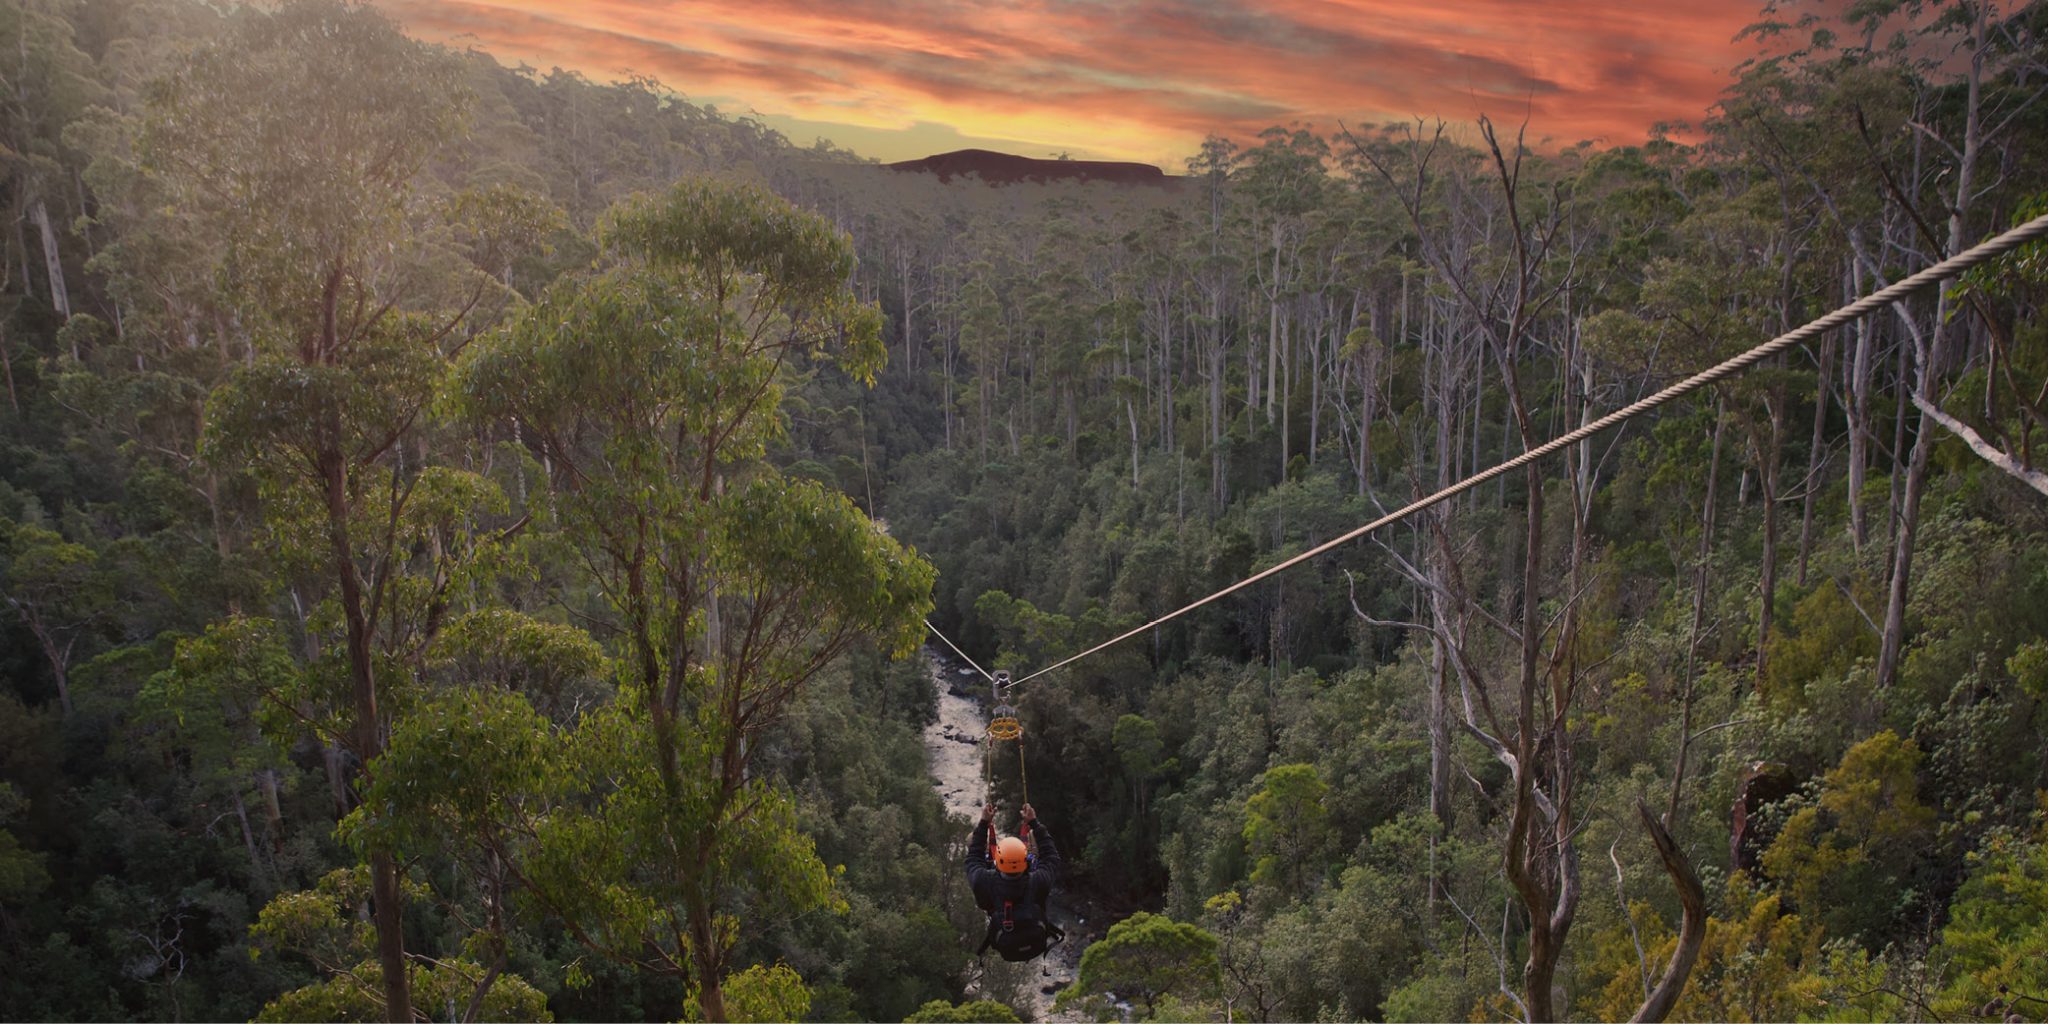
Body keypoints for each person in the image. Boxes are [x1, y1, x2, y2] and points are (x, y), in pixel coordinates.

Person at [965, 801, 1065, 961]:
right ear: (1025, 860)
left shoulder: (983, 881)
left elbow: (973, 857)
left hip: (1005, 936)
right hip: (1034, 934)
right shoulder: (1039, 880)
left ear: (998, 859)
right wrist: (1034, 823)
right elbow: (1051, 856)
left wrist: (984, 823)